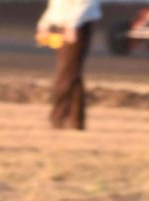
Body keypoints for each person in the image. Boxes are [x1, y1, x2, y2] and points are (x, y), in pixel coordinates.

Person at [37, 0, 102, 130]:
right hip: (63, 26)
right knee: (73, 74)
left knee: (65, 73)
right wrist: (43, 24)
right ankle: (76, 121)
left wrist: (72, 26)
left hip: (77, 27)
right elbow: (56, 5)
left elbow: (85, 4)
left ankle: (58, 117)